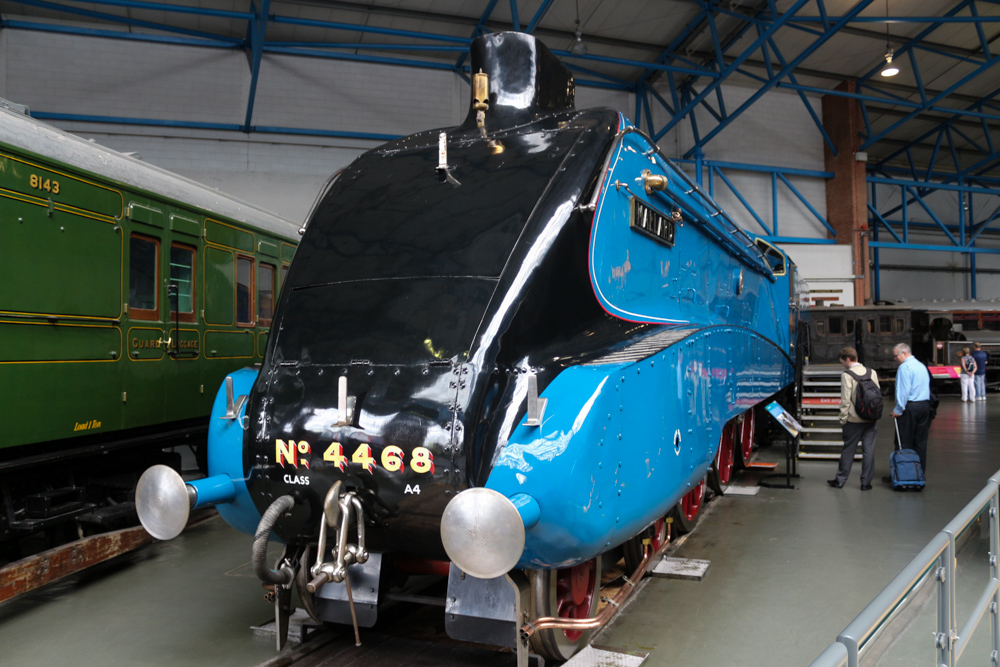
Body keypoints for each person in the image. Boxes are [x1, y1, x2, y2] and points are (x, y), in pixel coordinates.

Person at [828, 347, 879, 490]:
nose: (842, 365)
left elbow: (845, 400)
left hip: (854, 419)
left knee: (848, 450)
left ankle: (840, 481)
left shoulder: (847, 375)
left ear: (848, 359)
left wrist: (843, 418)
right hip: (871, 418)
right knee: (869, 451)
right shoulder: (872, 372)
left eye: (842, 362)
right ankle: (866, 483)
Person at [884, 342, 933, 480]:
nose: (895, 359)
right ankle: (919, 473)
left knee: (903, 442)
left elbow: (903, 391)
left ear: (903, 353)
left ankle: (902, 474)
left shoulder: (904, 367)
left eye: (895, 356)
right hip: (924, 406)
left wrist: (898, 410)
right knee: (920, 443)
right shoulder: (921, 366)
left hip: (910, 408)